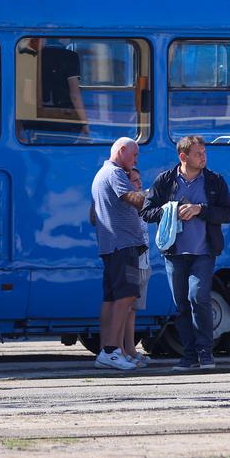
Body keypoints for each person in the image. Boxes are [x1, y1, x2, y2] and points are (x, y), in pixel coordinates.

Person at [142, 135, 230, 372]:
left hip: (204, 252)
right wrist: (169, 210)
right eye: (198, 154)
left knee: (198, 297)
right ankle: (189, 355)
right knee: (181, 304)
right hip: (174, 252)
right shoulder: (165, 181)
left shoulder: (215, 181)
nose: (203, 157)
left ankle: (205, 352)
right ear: (183, 157)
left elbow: (227, 213)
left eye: (204, 153)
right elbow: (147, 212)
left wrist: (200, 210)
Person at [90, 137, 148, 371]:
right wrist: (156, 195)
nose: (135, 161)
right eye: (134, 156)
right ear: (122, 150)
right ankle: (112, 351)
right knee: (125, 297)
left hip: (111, 246)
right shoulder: (115, 173)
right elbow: (134, 199)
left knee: (112, 299)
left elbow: (92, 215)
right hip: (123, 246)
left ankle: (107, 350)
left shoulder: (100, 175)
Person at [19, 38, 89, 144]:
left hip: (35, 120)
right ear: (62, 39)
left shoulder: (30, 56)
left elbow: (24, 94)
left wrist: (19, 124)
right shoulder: (70, 56)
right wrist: (84, 123)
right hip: (64, 120)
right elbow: (75, 94)